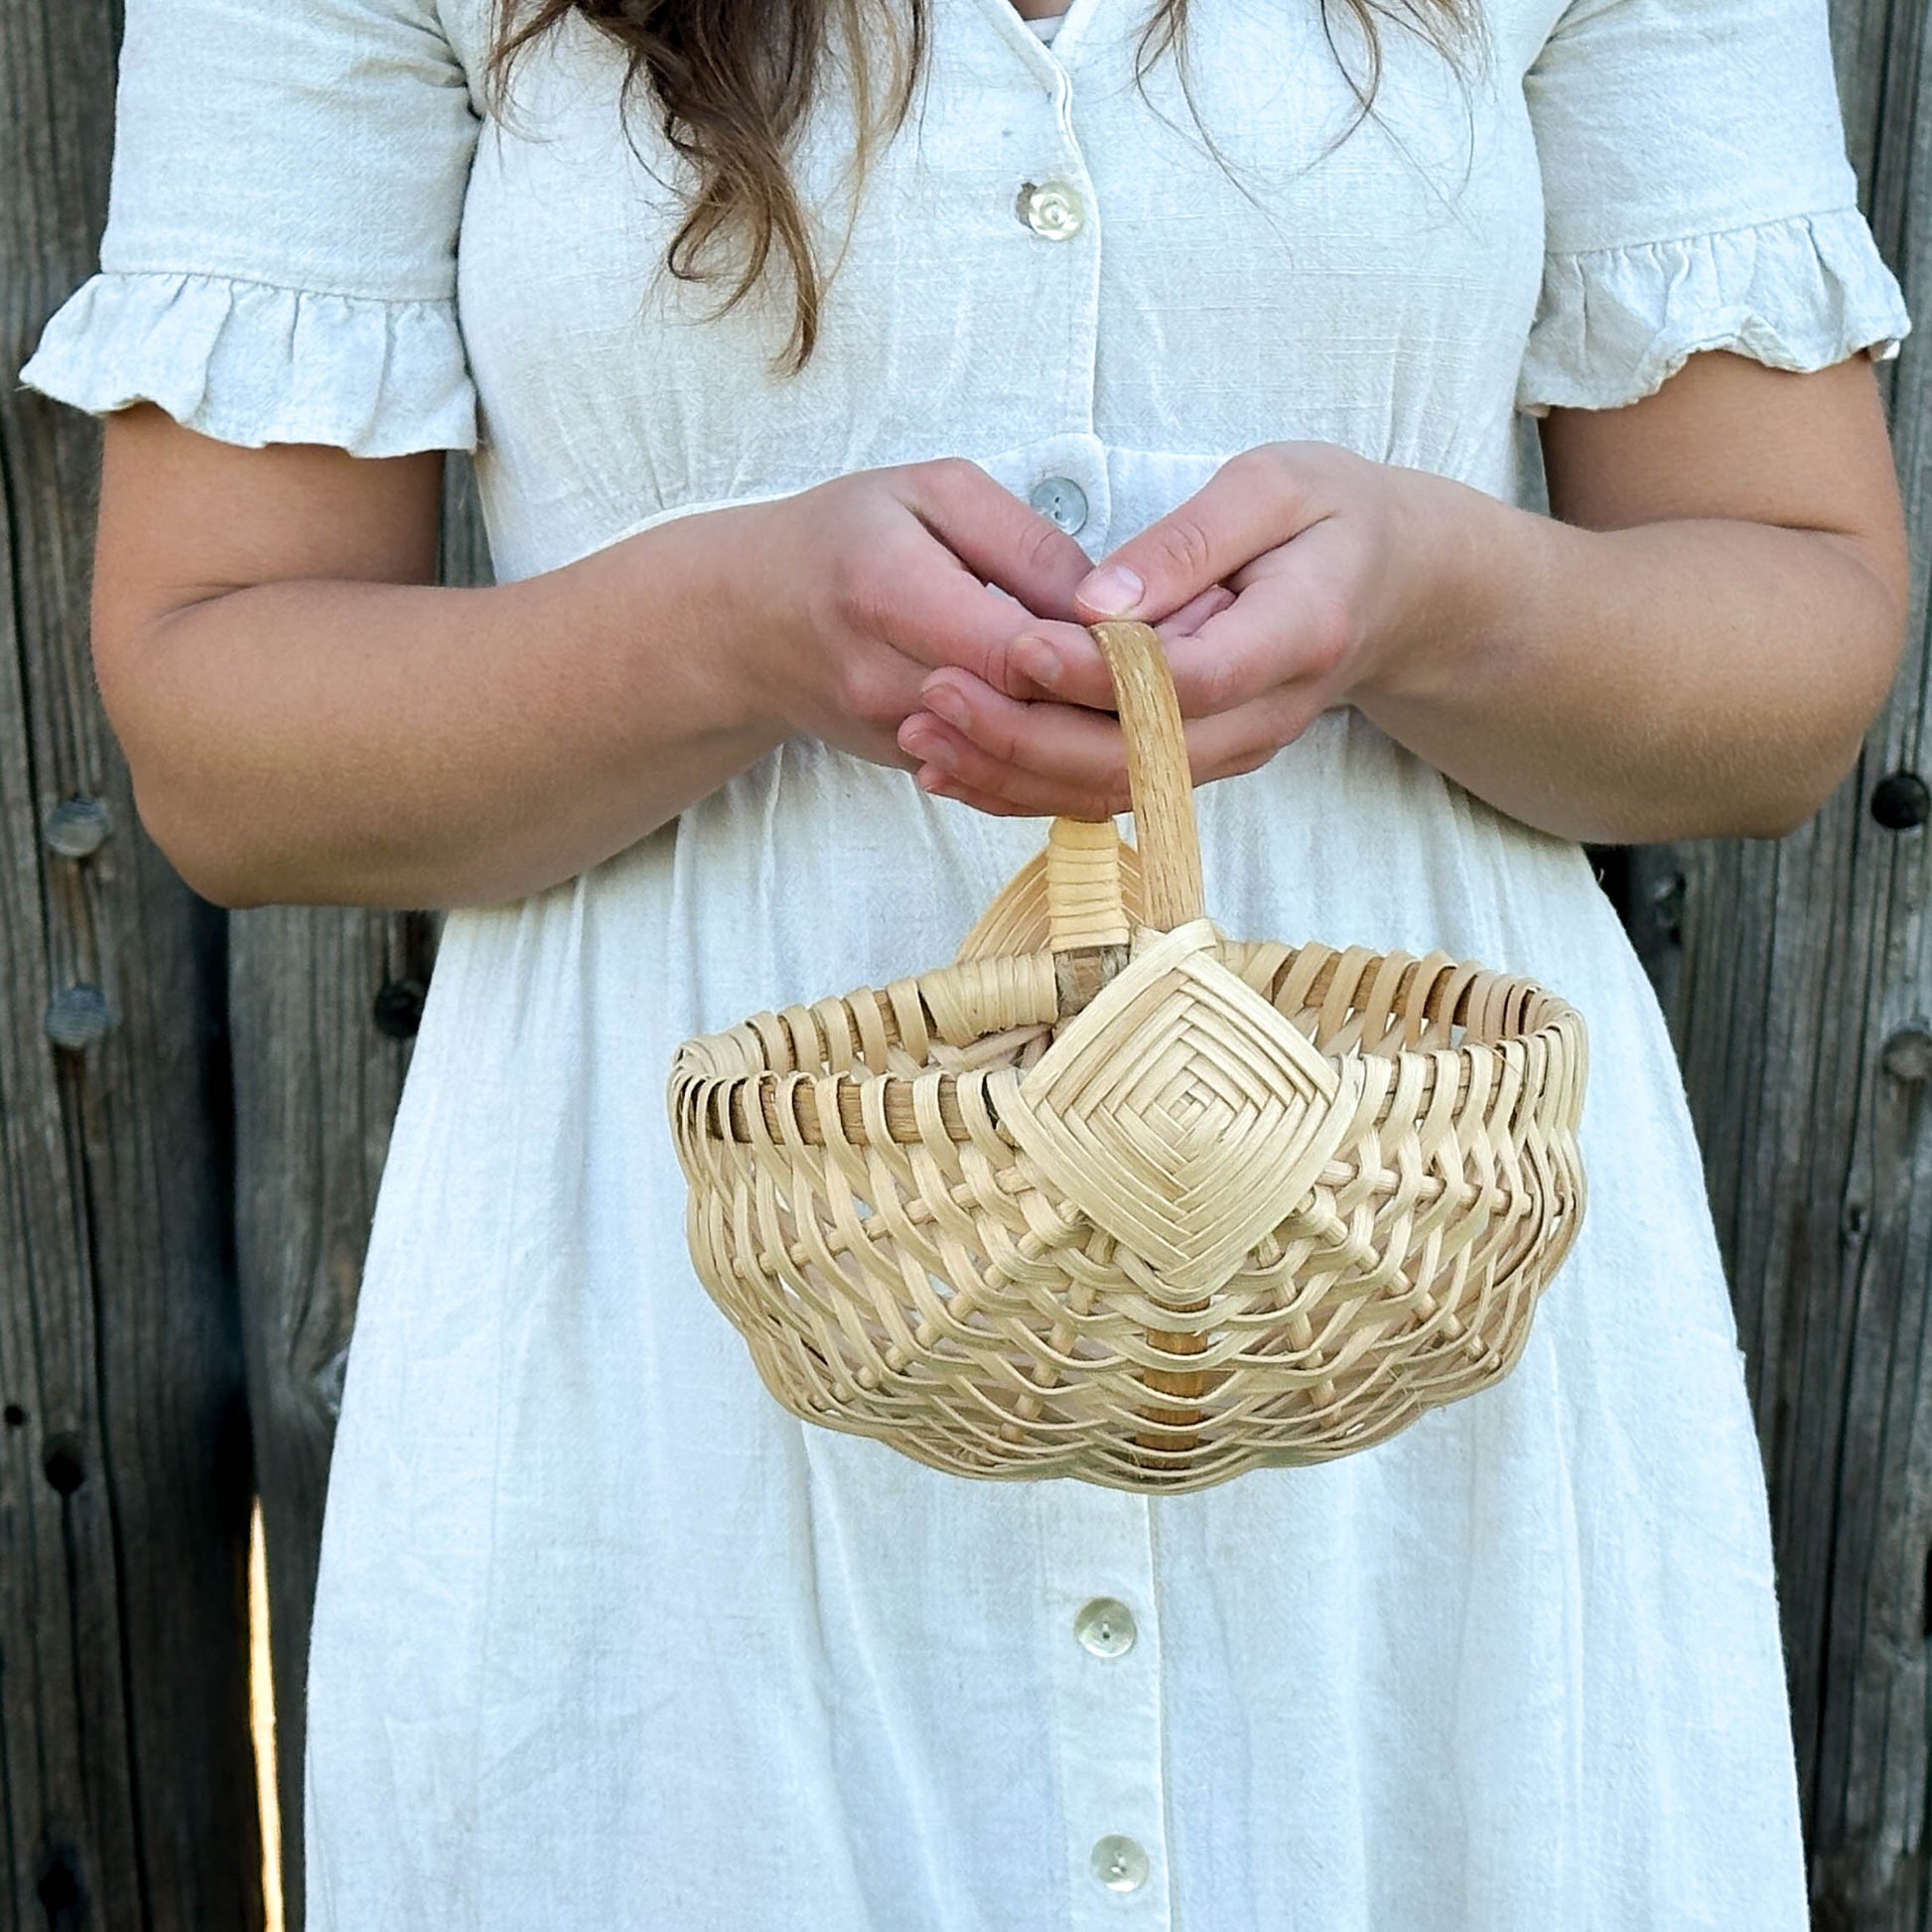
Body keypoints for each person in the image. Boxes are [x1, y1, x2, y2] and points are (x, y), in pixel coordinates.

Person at [20, 0, 1912, 1917]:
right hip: (679, 1427)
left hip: (1406, 1404)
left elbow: (1784, 652)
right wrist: (736, 627)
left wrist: (1429, 599)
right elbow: (223, 738)